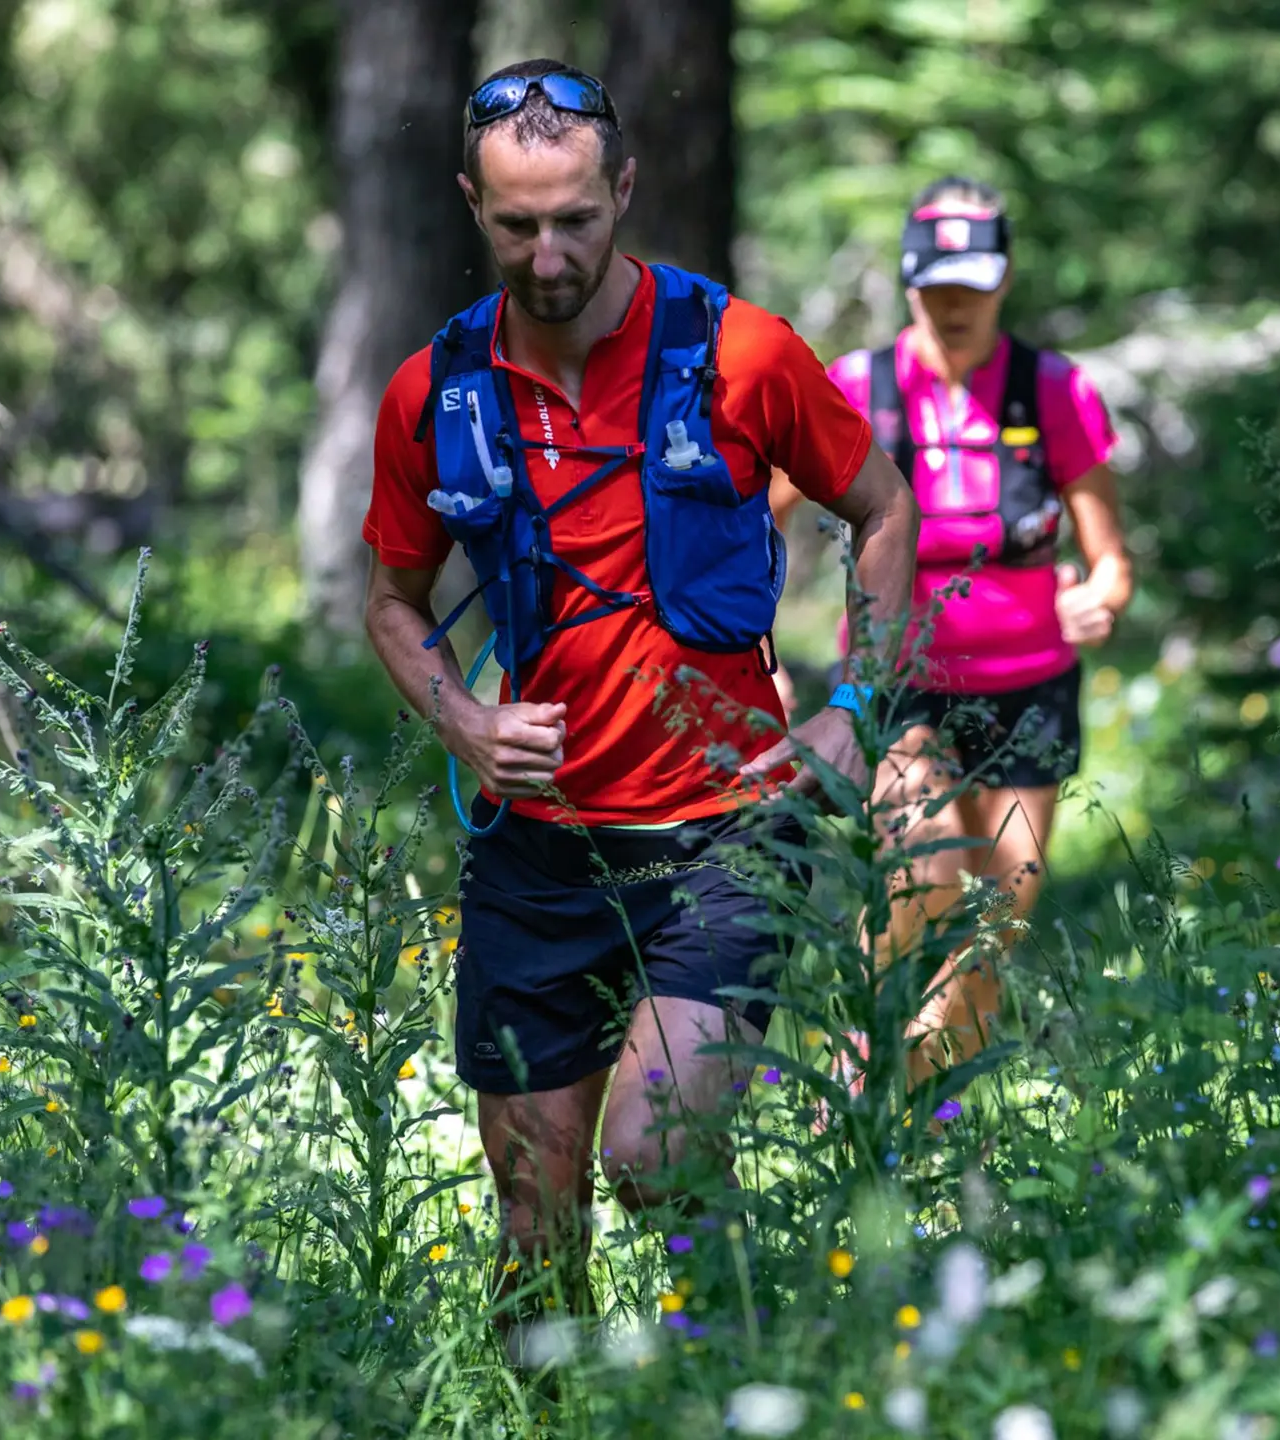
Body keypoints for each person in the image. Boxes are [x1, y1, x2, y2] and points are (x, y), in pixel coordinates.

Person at [358, 59, 917, 1342]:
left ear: (624, 186)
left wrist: (857, 702)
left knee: (657, 1158)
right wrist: (463, 721)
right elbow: (391, 601)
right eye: (516, 225)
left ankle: (736, 1380)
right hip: (538, 850)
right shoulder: (434, 393)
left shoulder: (742, 352)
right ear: (471, 205)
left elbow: (883, 509)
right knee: (532, 1211)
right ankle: (552, 1411)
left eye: (575, 218)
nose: (549, 255)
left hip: (725, 831)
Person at [771, 176, 1131, 1093]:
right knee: (921, 874)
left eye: (975, 285)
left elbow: (1110, 561)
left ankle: (930, 1119)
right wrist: (755, 652)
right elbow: (754, 522)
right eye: (938, 287)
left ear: (1005, 281)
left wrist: (1099, 597)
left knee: (996, 921)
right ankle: (860, 1079)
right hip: (900, 680)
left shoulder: (1054, 391)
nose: (957, 307)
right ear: (908, 283)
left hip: (1029, 686)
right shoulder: (856, 388)